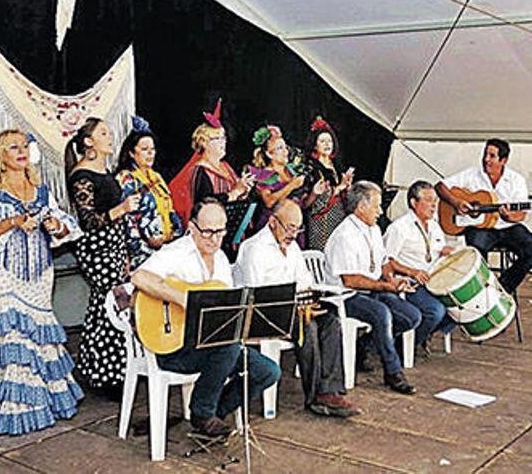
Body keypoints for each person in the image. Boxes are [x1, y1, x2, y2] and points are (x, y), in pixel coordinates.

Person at [0, 130, 83, 435]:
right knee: (7, 331)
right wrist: (13, 221)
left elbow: (65, 229)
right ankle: (6, 409)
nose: (21, 151)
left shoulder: (40, 189)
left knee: (35, 332)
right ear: (1, 155)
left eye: (25, 146)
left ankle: (37, 403)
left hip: (37, 272)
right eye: (13, 147)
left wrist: (54, 224)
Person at [130, 198, 281, 437]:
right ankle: (202, 412)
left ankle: (212, 415)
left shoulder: (221, 260)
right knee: (228, 347)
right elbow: (139, 278)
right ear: (192, 228)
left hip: (211, 347)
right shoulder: (177, 252)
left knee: (268, 371)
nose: (214, 238)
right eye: (207, 231)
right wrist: (183, 299)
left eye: (220, 231)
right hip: (173, 348)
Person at [234, 199, 359, 417]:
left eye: (298, 227)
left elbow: (304, 281)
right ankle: (316, 396)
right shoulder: (254, 248)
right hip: (261, 313)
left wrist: (310, 301)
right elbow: (258, 295)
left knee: (330, 319)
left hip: (292, 308)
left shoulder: (292, 248)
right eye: (290, 227)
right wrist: (298, 306)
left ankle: (330, 390)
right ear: (272, 222)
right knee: (306, 326)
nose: (294, 233)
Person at [65, 117, 141, 394]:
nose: (111, 137)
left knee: (104, 306)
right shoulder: (82, 176)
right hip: (97, 248)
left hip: (114, 244)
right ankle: (107, 375)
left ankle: (98, 369)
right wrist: (121, 209)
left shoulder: (103, 171)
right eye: (104, 133)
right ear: (88, 142)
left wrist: (125, 252)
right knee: (111, 303)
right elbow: (88, 220)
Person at [324, 180, 421, 394]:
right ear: (361, 207)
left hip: (373, 289)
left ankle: (364, 345)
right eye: (376, 206)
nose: (381, 211)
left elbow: (383, 263)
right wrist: (385, 287)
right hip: (345, 296)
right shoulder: (344, 235)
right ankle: (393, 372)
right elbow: (350, 280)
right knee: (382, 313)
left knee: (412, 316)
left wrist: (392, 279)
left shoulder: (374, 229)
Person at [435, 138, 532, 293]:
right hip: (481, 228)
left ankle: (502, 288)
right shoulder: (472, 174)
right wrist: (456, 202)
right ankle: (479, 291)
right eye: (485, 154)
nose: (486, 159)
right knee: (476, 251)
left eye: (492, 156)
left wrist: (509, 217)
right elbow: (440, 186)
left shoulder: (516, 180)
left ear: (503, 160)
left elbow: (521, 215)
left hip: (508, 227)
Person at [168, 100, 254, 256]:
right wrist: (234, 193)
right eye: (218, 139)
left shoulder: (225, 167)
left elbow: (235, 193)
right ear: (205, 143)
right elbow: (203, 203)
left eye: (224, 138)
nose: (224, 142)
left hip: (230, 233)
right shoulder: (201, 170)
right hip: (210, 236)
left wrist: (243, 190)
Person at [384, 180, 458, 353]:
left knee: (462, 307)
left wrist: (445, 252)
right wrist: (412, 271)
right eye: (429, 200)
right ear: (414, 202)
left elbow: (437, 250)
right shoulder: (399, 228)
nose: (434, 205)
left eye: (435, 201)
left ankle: (424, 335)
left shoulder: (434, 225)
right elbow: (386, 260)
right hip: (411, 283)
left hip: (434, 280)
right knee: (436, 311)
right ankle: (404, 348)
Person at [115, 116, 183, 269]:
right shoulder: (127, 179)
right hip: (143, 253)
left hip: (165, 248)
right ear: (132, 153)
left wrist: (174, 234)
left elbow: (169, 208)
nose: (150, 154)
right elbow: (127, 220)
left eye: (152, 150)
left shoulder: (156, 177)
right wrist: (144, 244)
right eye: (144, 150)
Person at [246, 125, 325, 246]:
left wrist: (314, 193)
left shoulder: (291, 171)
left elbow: (302, 204)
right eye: (279, 148)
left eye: (285, 147)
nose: (285, 152)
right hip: (274, 229)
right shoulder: (264, 175)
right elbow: (269, 201)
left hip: (294, 229)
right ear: (269, 154)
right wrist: (292, 185)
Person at [301, 116, 354, 251]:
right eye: (322, 141)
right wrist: (335, 190)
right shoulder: (310, 167)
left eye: (329, 141)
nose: (327, 144)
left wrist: (347, 188)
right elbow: (306, 204)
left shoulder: (336, 165)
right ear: (314, 144)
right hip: (321, 222)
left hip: (339, 218)